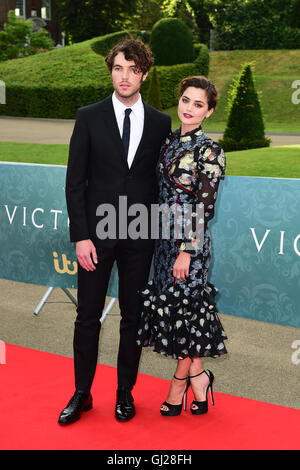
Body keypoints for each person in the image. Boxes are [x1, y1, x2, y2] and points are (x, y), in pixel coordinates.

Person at [58, 38, 171, 424]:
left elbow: (161, 185)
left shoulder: (160, 122)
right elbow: (75, 182)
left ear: (143, 74)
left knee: (133, 318)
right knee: (87, 316)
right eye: (119, 68)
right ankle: (82, 394)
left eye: (134, 69)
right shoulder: (88, 116)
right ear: (111, 70)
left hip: (140, 238)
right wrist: (81, 236)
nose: (126, 76)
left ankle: (125, 393)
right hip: (96, 238)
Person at [136, 76, 227, 417]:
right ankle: (200, 378)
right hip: (162, 242)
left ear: (210, 111)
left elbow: (205, 206)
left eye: (198, 104)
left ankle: (179, 385)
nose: (189, 108)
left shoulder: (210, 150)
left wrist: (187, 250)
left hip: (190, 245)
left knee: (186, 313)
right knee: (177, 313)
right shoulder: (169, 142)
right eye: (186, 100)